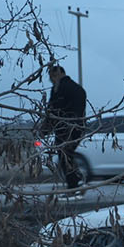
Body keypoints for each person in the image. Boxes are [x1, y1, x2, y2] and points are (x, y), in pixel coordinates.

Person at [41, 64, 87, 197]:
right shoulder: (78, 89)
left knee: (65, 157)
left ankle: (74, 185)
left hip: (64, 129)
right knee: (68, 156)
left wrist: (44, 130)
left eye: (53, 76)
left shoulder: (59, 89)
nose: (52, 80)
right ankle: (77, 182)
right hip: (77, 128)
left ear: (59, 74)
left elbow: (53, 110)